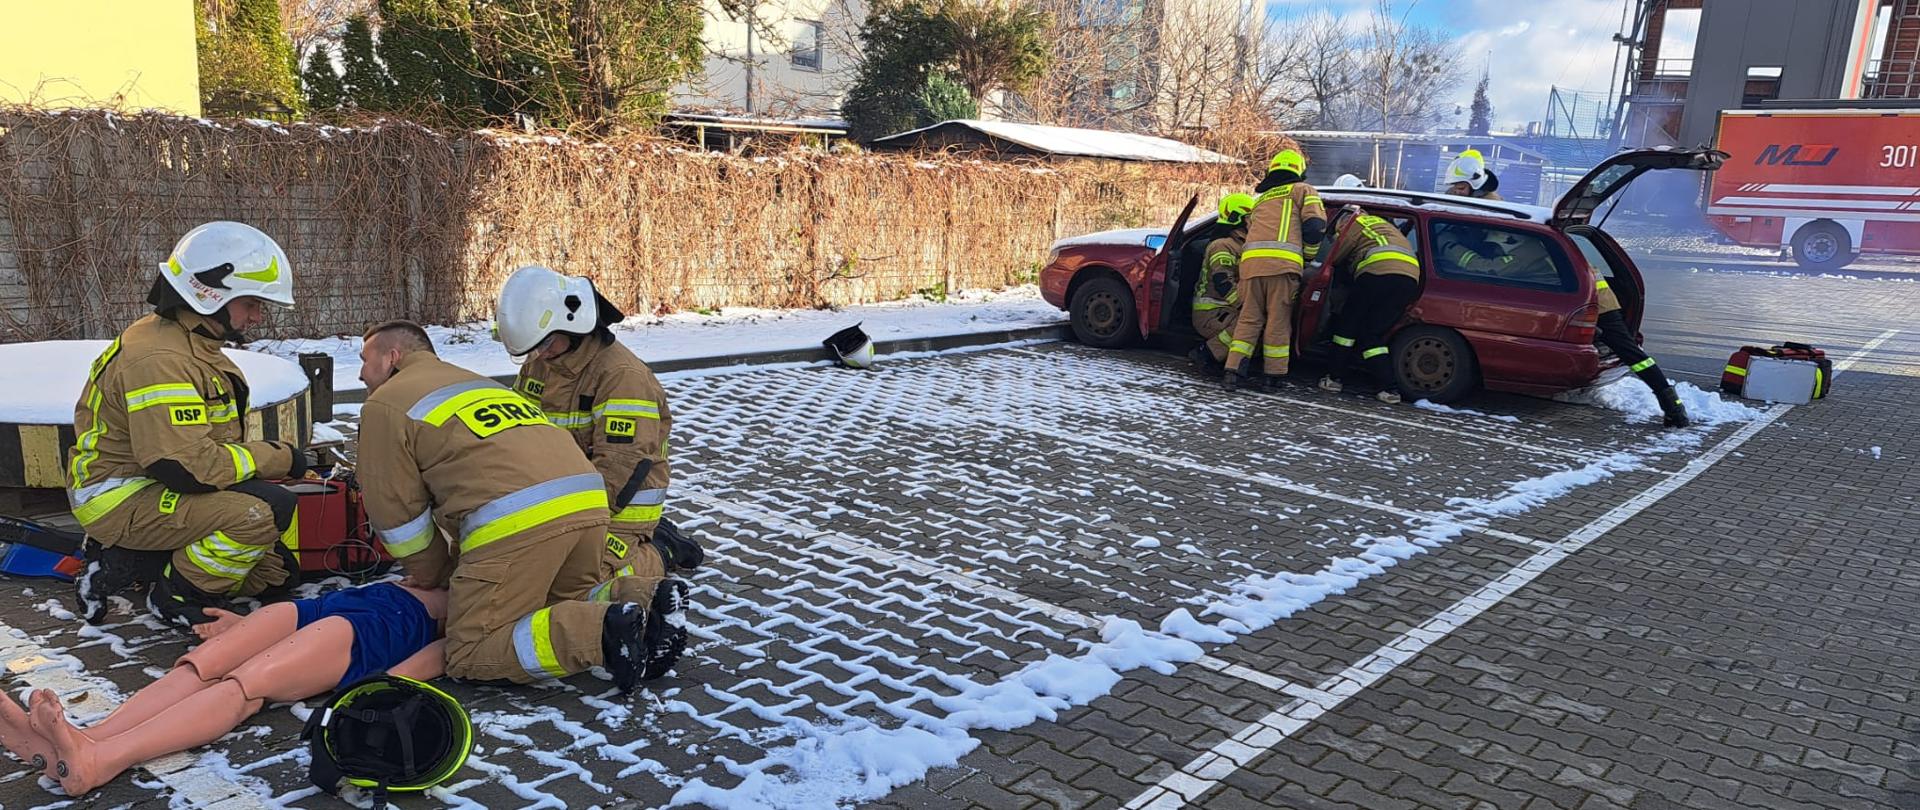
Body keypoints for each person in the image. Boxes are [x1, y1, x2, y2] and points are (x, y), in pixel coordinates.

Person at [355, 320, 684, 692]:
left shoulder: (384, 404)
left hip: (519, 521)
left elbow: (397, 517)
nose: (361, 373)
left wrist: (437, 574)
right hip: (589, 503)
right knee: (554, 601)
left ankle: (603, 633)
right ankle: (645, 600)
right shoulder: (472, 380)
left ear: (391, 357)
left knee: (471, 653)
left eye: (365, 360)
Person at [68, 221, 311, 629]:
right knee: (257, 515)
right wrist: (280, 458)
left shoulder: (190, 339)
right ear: (211, 294)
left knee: (276, 577)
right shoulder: (161, 359)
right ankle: (174, 597)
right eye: (251, 303)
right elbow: (184, 467)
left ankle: (133, 561)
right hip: (119, 494)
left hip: (154, 481)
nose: (256, 316)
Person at [0, 582, 447, 796]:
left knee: (246, 686)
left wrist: (385, 685)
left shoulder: (506, 579)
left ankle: (99, 761)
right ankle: (84, 740)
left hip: (376, 630)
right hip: (337, 604)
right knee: (202, 667)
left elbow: (458, 647)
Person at [495, 266, 699, 608]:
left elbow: (620, 472)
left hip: (618, 506)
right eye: (534, 348)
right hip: (564, 498)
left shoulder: (622, 378)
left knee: (579, 585)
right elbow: (519, 433)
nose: (539, 355)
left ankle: (660, 547)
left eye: (545, 344)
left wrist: (567, 529)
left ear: (574, 326)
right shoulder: (541, 363)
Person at [1225, 149, 1327, 391]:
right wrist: (1308, 258)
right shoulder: (1303, 190)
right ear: (1299, 170)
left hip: (1250, 266)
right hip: (1282, 267)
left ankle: (1232, 372)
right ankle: (1273, 376)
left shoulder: (1262, 198)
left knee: (1249, 319)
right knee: (1277, 321)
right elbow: (1315, 227)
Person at [1316, 207, 1423, 404]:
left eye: (1336, 230)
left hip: (1377, 273)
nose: (1336, 233)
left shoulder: (1354, 224)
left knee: (1346, 329)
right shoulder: (1385, 226)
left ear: (1342, 221)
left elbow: (1334, 258)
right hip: (1409, 280)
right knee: (1372, 333)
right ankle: (1389, 389)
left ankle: (1334, 378)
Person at [1190, 194, 1254, 368]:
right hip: (1211, 311)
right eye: (1251, 218)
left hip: (1225, 309)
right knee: (1248, 325)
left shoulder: (1244, 245)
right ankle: (1206, 353)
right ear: (1238, 219)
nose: (1254, 222)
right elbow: (1223, 281)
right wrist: (1245, 306)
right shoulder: (1223, 245)